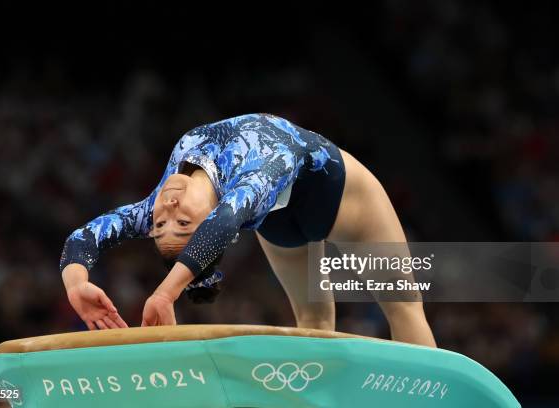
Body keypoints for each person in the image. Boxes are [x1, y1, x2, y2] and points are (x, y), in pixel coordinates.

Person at [60, 113, 436, 347]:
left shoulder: (160, 199)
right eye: (183, 224)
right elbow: (224, 223)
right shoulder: (245, 187)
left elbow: (85, 237)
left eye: (160, 224)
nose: (168, 210)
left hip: (340, 200)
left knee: (403, 307)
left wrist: (76, 283)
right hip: (284, 221)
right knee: (316, 322)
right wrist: (163, 293)